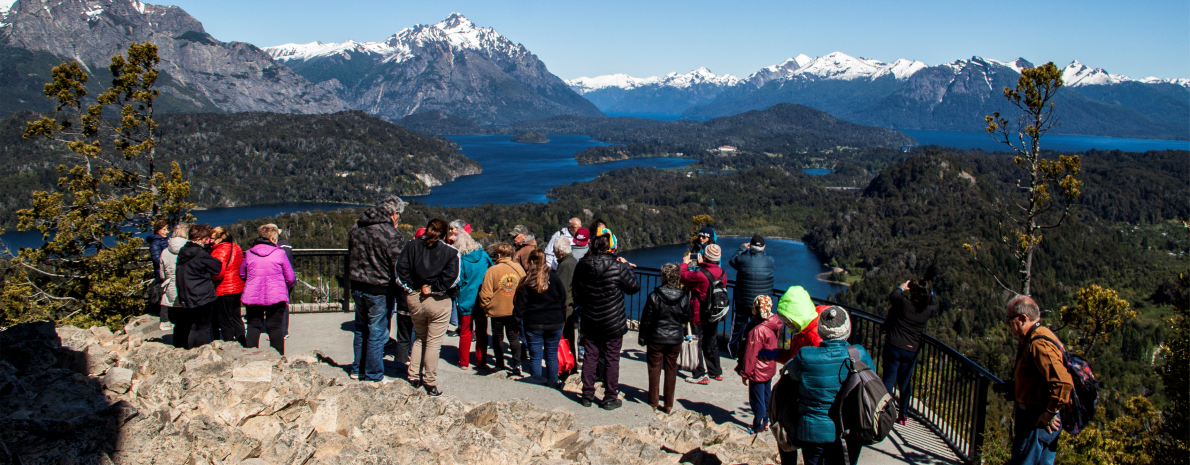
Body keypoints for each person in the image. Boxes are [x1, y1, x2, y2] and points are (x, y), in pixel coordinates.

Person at [788, 307, 874, 465]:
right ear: (847, 329)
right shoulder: (859, 354)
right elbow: (871, 380)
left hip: (812, 430)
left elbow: (792, 378)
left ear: (821, 331)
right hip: (849, 430)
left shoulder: (805, 356)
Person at [572, 233, 640, 410]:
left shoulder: (582, 265)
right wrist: (627, 267)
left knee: (590, 355)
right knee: (611, 358)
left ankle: (587, 394)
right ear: (612, 248)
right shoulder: (618, 266)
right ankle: (610, 397)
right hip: (613, 320)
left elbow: (577, 291)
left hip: (589, 319)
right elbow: (634, 287)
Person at [1004, 295, 1073, 465]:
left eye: (1008, 319)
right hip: (1038, 418)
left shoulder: (1038, 343)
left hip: (1034, 421)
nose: (1007, 325)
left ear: (1022, 319)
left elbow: (1063, 382)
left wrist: (1049, 413)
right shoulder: (1038, 336)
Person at [396, 219, 460, 397]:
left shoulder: (411, 246)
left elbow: (400, 269)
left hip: (415, 298)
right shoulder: (451, 252)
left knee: (419, 339)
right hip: (439, 300)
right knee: (433, 343)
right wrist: (434, 288)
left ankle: (413, 377)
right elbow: (453, 278)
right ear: (445, 233)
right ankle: (430, 382)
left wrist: (411, 288)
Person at [347, 203, 404, 382]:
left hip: (357, 285)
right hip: (380, 289)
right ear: (393, 214)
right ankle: (374, 375)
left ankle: (358, 369)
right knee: (377, 333)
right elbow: (398, 266)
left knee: (361, 329)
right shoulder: (391, 234)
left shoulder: (356, 230)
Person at [883, 279, 938, 424]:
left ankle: (884, 412)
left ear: (912, 292)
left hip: (894, 345)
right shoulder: (926, 311)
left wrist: (902, 287)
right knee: (905, 383)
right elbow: (935, 306)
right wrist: (929, 293)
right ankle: (903, 415)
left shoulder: (904, 304)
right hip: (911, 350)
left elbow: (893, 295)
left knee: (889, 380)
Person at [637, 263, 690, 414]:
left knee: (654, 369)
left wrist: (642, 338)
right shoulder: (683, 297)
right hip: (674, 338)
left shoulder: (654, 296)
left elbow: (646, 319)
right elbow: (686, 317)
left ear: (665, 277)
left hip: (656, 338)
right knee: (671, 369)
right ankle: (668, 403)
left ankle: (653, 401)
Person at [514, 249, 568, 386]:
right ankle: (553, 383)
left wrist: (516, 324)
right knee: (551, 356)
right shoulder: (554, 278)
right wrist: (562, 318)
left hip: (534, 323)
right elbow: (563, 300)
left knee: (535, 357)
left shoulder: (526, 282)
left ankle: (536, 384)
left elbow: (520, 306)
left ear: (531, 262)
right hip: (555, 322)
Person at [239, 224, 295, 355]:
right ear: (274, 238)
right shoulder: (280, 253)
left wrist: (251, 283)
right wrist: (282, 287)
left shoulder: (249, 253)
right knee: (275, 327)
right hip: (276, 296)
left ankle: (250, 358)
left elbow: (242, 274)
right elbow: (290, 277)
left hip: (253, 296)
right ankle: (277, 359)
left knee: (253, 326)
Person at [679, 243, 726, 384]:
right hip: (714, 313)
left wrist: (685, 263)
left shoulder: (700, 275)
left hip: (699, 314)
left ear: (705, 256)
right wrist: (703, 265)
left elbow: (683, 276)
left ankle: (699, 373)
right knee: (711, 341)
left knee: (696, 343)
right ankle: (715, 371)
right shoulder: (722, 273)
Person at [478, 242, 526, 373]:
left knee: (497, 337)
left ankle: (499, 363)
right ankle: (517, 364)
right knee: (513, 337)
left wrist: (486, 307)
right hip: (513, 309)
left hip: (497, 310)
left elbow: (485, 293)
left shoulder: (492, 270)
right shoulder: (519, 269)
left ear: (498, 255)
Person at [735, 295, 780, 434]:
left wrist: (745, 373)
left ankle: (758, 425)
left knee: (757, 400)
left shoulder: (757, 330)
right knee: (766, 396)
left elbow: (750, 354)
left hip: (757, 370)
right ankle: (766, 421)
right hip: (768, 367)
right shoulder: (774, 323)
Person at [175, 224, 222, 349]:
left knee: (193, 326)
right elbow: (217, 266)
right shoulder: (200, 254)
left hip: (186, 294)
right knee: (202, 327)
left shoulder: (183, 252)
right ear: (201, 239)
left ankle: (191, 351)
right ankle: (199, 353)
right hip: (202, 295)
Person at [728, 235, 775, 359]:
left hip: (743, 301)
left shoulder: (743, 260)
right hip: (761, 303)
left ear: (751, 247)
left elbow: (732, 261)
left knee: (738, 327)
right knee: (760, 327)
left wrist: (741, 249)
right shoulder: (770, 260)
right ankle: (757, 353)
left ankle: (734, 352)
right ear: (764, 247)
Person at [451, 229, 492, 369]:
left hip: (466, 300)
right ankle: (481, 361)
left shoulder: (461, 260)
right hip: (482, 299)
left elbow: (459, 280)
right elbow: (491, 271)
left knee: (465, 332)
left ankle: (463, 362)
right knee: (482, 332)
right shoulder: (484, 256)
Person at [210, 227, 246, 345]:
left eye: (212, 238)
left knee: (225, 321)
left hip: (224, 289)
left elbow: (218, 272)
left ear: (219, 237)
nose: (211, 241)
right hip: (238, 287)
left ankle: (229, 345)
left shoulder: (220, 250)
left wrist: (211, 278)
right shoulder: (236, 246)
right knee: (236, 317)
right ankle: (242, 342)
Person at [159, 224, 189, 344]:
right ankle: (189, 344)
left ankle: (177, 342)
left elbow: (162, 274)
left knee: (177, 320)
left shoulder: (165, 252)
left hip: (172, 287)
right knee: (188, 318)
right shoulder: (189, 249)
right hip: (187, 286)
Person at [776, 286, 825, 357]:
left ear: (797, 321)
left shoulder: (816, 340)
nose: (786, 325)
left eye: (788, 322)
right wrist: (772, 354)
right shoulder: (801, 328)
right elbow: (793, 356)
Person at [554, 238, 580, 363]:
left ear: (559, 251)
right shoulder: (572, 261)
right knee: (569, 338)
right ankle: (570, 364)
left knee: (566, 339)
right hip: (570, 306)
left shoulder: (565, 265)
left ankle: (567, 365)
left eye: (555, 250)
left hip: (566, 309)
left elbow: (562, 289)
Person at [147, 219, 171, 331]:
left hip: (167, 271)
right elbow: (157, 259)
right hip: (161, 272)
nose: (166, 231)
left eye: (167, 229)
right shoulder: (155, 242)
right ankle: (164, 319)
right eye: (164, 229)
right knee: (165, 294)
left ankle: (169, 317)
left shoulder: (165, 240)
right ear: (158, 230)